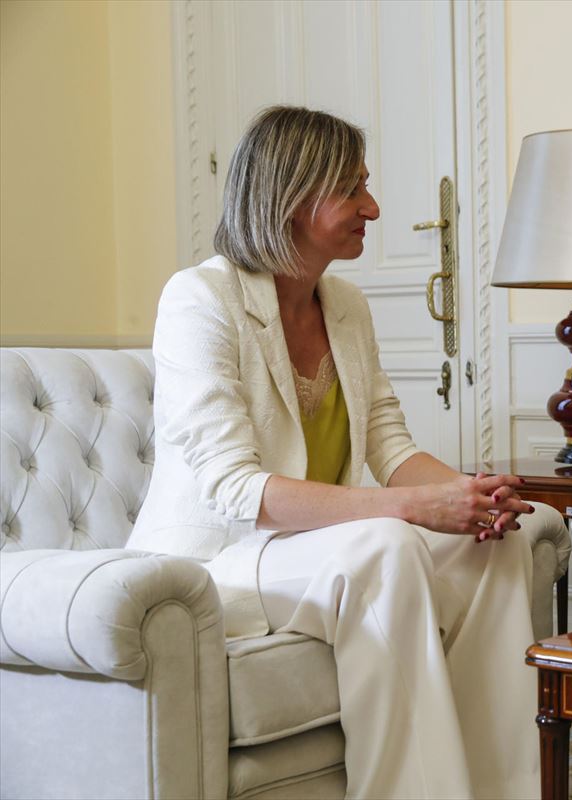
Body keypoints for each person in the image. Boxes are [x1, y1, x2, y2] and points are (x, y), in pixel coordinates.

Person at [128, 106, 540, 799]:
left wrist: (471, 497)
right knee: (385, 545)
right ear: (292, 196)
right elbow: (235, 489)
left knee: (492, 544)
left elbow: (390, 444)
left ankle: (501, 788)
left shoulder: (345, 303)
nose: (372, 206)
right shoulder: (199, 298)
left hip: (312, 554)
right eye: (353, 189)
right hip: (213, 563)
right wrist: (414, 508)